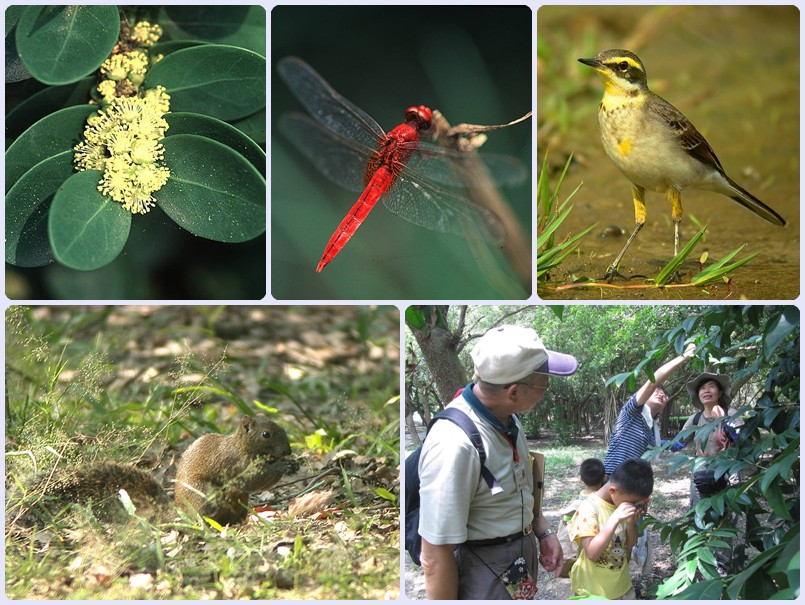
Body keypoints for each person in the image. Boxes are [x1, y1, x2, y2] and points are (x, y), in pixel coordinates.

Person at [418, 325, 578, 600]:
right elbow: (434, 555)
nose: (546, 391)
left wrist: (541, 530)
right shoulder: (455, 445)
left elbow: (519, 485)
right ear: (514, 391)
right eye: (544, 384)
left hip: (515, 559)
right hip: (482, 569)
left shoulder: (508, 419)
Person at [603, 342, 695, 578]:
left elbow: (672, 445)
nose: (661, 393)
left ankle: (631, 580)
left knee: (631, 535)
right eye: (657, 391)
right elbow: (654, 380)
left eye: (665, 393)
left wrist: (696, 426)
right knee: (607, 533)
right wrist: (683, 358)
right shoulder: (631, 411)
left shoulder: (651, 428)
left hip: (635, 489)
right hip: (613, 483)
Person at [568, 458, 654, 599]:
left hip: (622, 587)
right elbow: (592, 553)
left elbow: (628, 546)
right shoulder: (589, 508)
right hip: (593, 592)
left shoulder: (620, 504)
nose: (634, 505)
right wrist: (614, 519)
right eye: (633, 502)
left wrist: (631, 523)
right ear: (613, 490)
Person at [680, 372, 744, 506]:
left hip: (727, 469)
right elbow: (680, 443)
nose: (706, 390)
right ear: (698, 394)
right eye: (702, 388)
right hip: (701, 472)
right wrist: (658, 444)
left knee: (727, 512)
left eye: (711, 386)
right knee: (699, 512)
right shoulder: (695, 419)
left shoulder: (731, 414)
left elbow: (742, 441)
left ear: (720, 393)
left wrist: (725, 421)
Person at [556, 458, 608, 578]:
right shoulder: (607, 504)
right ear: (605, 477)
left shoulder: (575, 506)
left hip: (581, 554)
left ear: (580, 478)